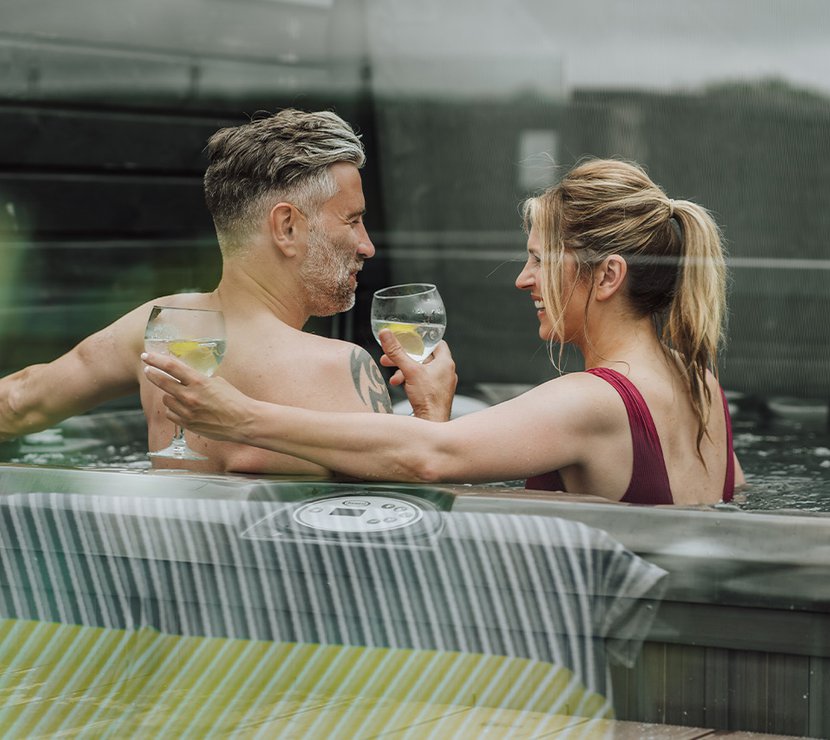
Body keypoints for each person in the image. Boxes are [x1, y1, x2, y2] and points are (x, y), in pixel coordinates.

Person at [143, 158, 746, 505]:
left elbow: (433, 461)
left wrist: (238, 417)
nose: (523, 279)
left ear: (607, 276)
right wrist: (433, 411)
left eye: (540, 260)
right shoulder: (701, 382)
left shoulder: (593, 400)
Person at [0, 109, 456, 475]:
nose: (367, 246)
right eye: (352, 220)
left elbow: (18, 402)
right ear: (287, 227)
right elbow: (398, 518)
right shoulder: (337, 366)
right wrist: (432, 416)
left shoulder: (158, 328)